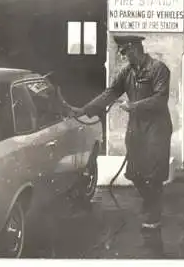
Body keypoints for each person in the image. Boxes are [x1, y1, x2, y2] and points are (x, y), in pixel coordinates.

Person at [71, 35, 173, 235]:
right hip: (136, 128)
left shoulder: (159, 69)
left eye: (126, 52)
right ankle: (150, 202)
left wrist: (133, 106)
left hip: (156, 129)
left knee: (153, 175)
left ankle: (154, 214)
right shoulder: (128, 72)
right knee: (134, 173)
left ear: (136, 49)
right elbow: (110, 93)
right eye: (123, 53)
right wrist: (84, 110)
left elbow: (160, 99)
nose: (125, 56)